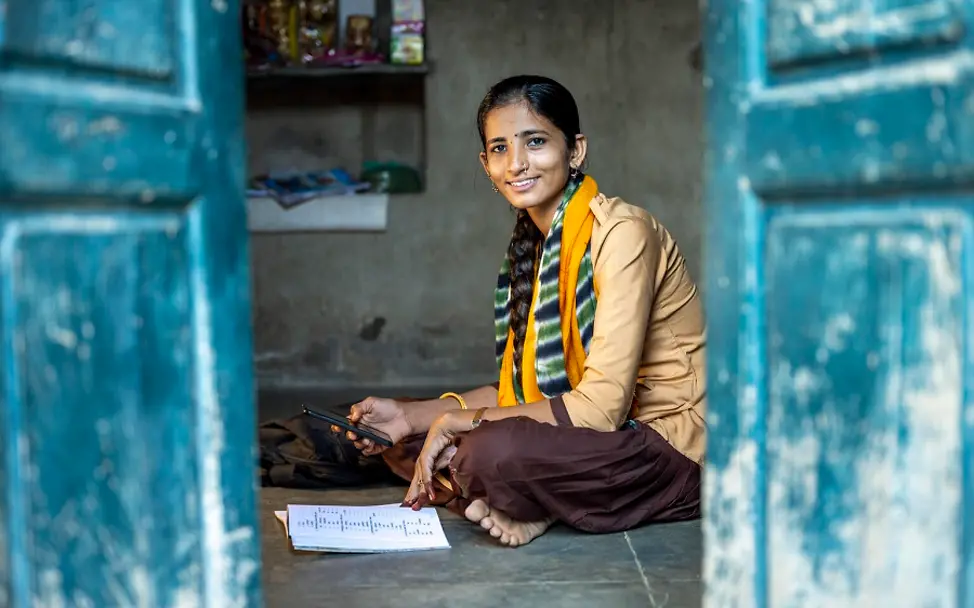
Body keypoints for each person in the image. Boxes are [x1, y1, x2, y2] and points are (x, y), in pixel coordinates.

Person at [334, 74, 706, 548]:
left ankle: (523, 498)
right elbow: (517, 392)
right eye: (499, 148)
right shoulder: (530, 251)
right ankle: (534, 501)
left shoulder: (623, 234)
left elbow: (600, 408)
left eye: (535, 142)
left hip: (662, 445)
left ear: (575, 150)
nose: (517, 164)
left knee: (485, 451)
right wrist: (412, 418)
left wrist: (456, 424)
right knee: (410, 439)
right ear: (485, 163)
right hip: (589, 434)